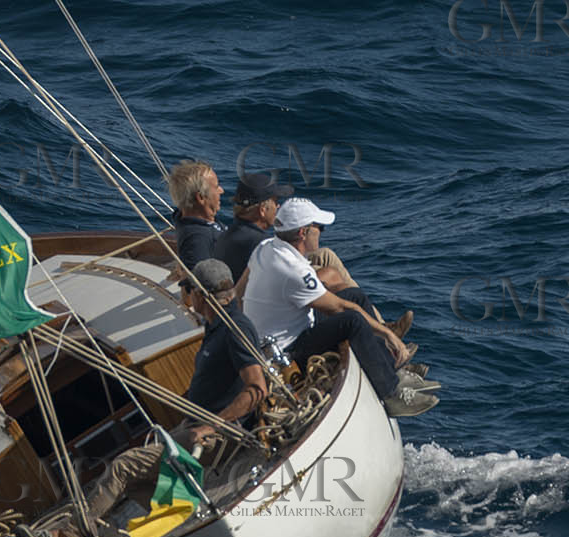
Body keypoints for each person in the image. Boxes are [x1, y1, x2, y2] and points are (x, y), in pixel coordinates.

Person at [242, 198, 438, 418]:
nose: (322, 233)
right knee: (353, 320)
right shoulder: (295, 271)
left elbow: (239, 290)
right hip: (288, 349)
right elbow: (341, 309)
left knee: (354, 295)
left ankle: (390, 366)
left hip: (271, 333)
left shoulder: (266, 247)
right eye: (320, 228)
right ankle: (392, 394)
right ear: (303, 233)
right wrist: (387, 333)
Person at [178, 259, 269, 451]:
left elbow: (258, 389)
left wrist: (210, 426)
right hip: (195, 423)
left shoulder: (234, 329)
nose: (188, 297)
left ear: (200, 296)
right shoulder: (215, 325)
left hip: (220, 434)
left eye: (189, 291)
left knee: (122, 467)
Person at [213, 172, 292, 280]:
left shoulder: (225, 234)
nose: (278, 206)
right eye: (276, 202)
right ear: (262, 210)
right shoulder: (263, 244)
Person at [165, 160, 225, 267]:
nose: (221, 191)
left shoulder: (188, 218)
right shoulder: (198, 238)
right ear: (201, 197)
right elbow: (200, 278)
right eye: (216, 187)